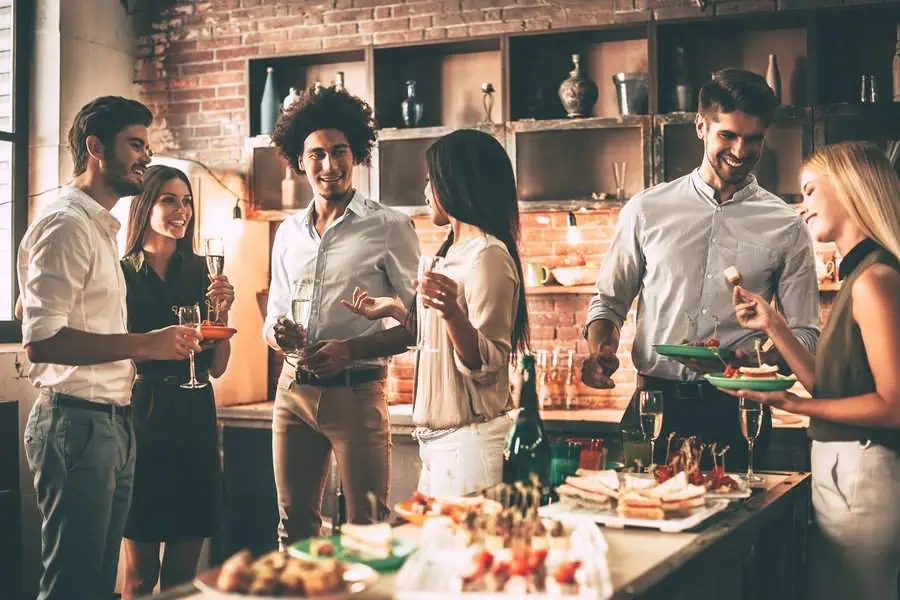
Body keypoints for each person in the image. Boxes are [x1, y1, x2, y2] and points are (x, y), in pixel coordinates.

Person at [581, 68, 820, 470]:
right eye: (727, 135)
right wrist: (599, 350)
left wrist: (755, 358)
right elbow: (608, 302)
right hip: (654, 406)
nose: (741, 151)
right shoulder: (646, 209)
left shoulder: (787, 224)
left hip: (740, 411)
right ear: (701, 126)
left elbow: (804, 333)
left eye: (753, 139)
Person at [18, 96, 201, 600]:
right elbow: (42, 340)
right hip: (76, 423)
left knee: (101, 587)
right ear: (96, 148)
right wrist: (148, 343)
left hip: (113, 421)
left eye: (147, 144)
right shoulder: (68, 223)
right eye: (136, 144)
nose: (145, 156)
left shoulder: (99, 227)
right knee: (73, 586)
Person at [727, 141, 900, 600]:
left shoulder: (875, 281)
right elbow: (831, 388)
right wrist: (775, 325)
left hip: (866, 473)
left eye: (808, 191)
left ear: (849, 188)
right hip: (848, 472)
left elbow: (894, 405)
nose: (801, 208)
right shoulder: (860, 277)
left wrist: (792, 403)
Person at [263, 84, 419, 543]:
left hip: (358, 395)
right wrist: (282, 335)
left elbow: (416, 325)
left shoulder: (390, 227)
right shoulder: (288, 232)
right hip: (292, 394)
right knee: (295, 529)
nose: (328, 165)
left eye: (339, 152)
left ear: (356, 154)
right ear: (298, 160)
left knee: (366, 531)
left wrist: (348, 349)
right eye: (316, 154)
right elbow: (272, 317)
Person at [344, 129, 527, 497]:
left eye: (431, 180)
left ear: (455, 183)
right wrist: (395, 309)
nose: (426, 191)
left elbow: (489, 363)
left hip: (469, 445)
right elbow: (440, 342)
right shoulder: (451, 253)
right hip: (440, 446)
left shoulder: (488, 256)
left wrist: (452, 314)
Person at [119, 165, 235, 597]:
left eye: (186, 201)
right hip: (143, 418)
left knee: (182, 581)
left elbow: (218, 365)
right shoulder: (121, 273)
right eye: (169, 199)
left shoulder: (204, 271)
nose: (181, 210)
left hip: (195, 418)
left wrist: (223, 316)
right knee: (138, 576)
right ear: (145, 204)